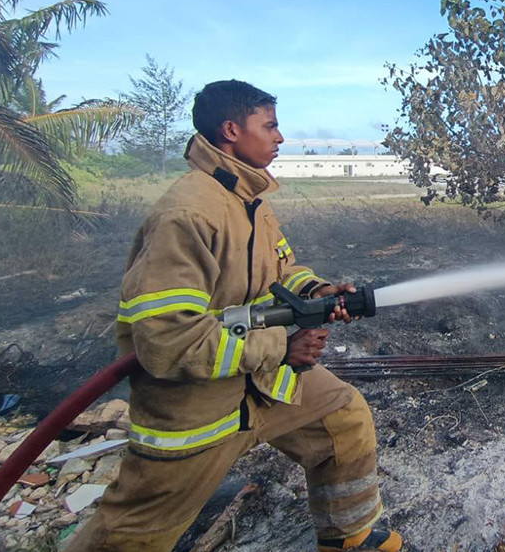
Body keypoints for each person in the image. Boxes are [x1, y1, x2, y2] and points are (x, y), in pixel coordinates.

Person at [66, 80, 402, 552]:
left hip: (259, 385)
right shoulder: (186, 215)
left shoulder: (250, 204)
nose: (281, 138)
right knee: (131, 535)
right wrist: (284, 346)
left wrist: (318, 290)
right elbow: (169, 340)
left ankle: (349, 537)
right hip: (196, 413)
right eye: (270, 126)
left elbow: (281, 272)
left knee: (341, 417)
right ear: (231, 130)